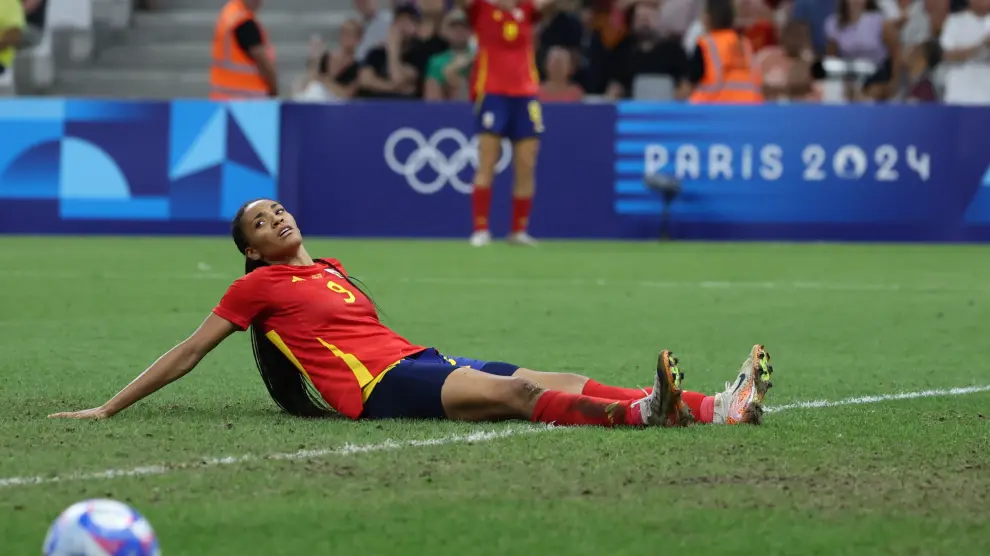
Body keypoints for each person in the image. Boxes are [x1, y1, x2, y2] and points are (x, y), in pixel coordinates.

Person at [49, 199, 776, 428]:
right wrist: (108, 409)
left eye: (278, 211)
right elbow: (187, 352)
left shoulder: (331, 271)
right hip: (374, 389)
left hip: (416, 360)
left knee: (557, 373)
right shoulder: (253, 290)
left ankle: (717, 406)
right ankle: (646, 414)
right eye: (262, 224)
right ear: (252, 253)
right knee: (518, 395)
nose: (278, 221)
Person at [462, 0, 545, 247]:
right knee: (487, 160)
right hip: (492, 92)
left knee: (527, 162)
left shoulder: (527, 8)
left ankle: (518, 231)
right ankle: (481, 229)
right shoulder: (480, 8)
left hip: (525, 93)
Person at [688, 0, 764, 104]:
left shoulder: (706, 45)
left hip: (714, 109)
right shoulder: (745, 44)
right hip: (751, 108)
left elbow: (692, 78)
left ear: (708, 17)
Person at [209, 0, 278, 100]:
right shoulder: (243, 21)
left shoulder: (230, 13)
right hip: (245, 101)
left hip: (225, 98)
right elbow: (261, 58)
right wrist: (273, 88)